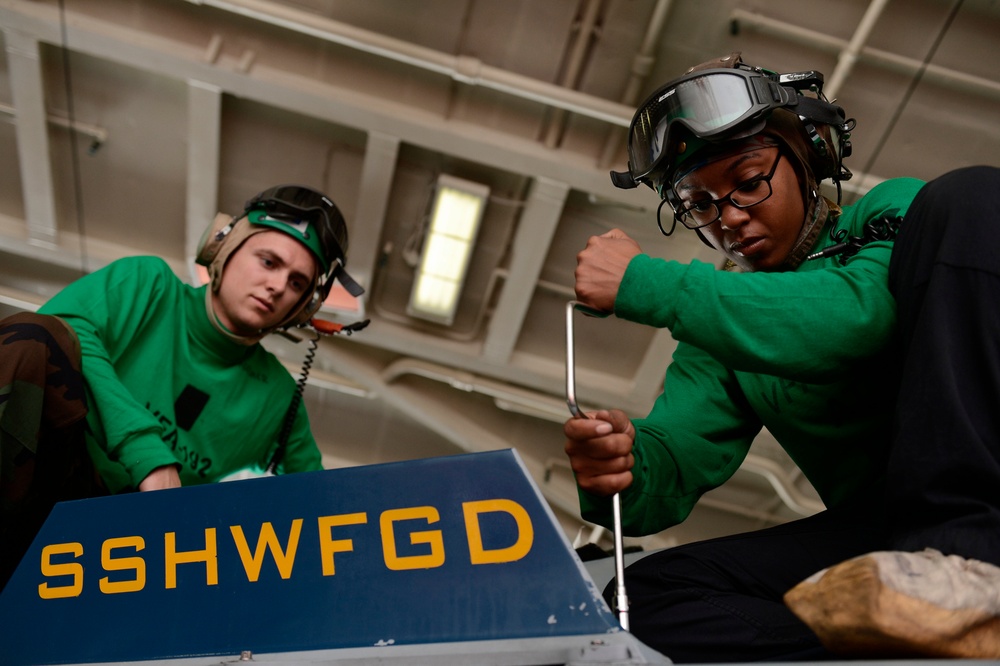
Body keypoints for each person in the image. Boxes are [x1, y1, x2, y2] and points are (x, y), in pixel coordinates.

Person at [564, 52, 1000, 661]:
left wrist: (645, 283)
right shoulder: (719, 331)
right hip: (898, 536)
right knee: (642, 596)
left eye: (748, 183)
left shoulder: (889, 214)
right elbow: (678, 456)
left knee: (970, 195)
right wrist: (623, 463)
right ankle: (902, 631)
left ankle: (976, 566)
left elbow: (856, 320)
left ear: (808, 157)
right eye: (699, 204)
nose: (728, 218)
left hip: (986, 491)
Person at [0, 184, 364, 589]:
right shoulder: (148, 285)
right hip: (47, 478)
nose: (278, 286)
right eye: (268, 261)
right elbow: (61, 330)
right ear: (223, 247)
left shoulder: (279, 396)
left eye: (297, 283)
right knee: (33, 339)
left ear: (304, 307)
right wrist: (147, 453)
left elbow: (322, 504)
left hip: (135, 551)